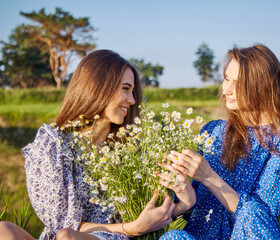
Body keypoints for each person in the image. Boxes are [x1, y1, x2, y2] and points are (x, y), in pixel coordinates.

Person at [0, 50, 175, 240]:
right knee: (4, 230)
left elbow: (154, 209)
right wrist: (133, 227)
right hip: (71, 236)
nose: (132, 100)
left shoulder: (130, 149)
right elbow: (62, 225)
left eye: (132, 91)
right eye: (125, 89)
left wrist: (183, 201)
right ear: (98, 87)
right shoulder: (54, 145)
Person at [158, 44, 280, 239]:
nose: (226, 89)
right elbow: (193, 212)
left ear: (262, 86)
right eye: (226, 79)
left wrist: (209, 177)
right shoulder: (212, 131)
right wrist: (183, 191)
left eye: (237, 83)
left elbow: (260, 223)